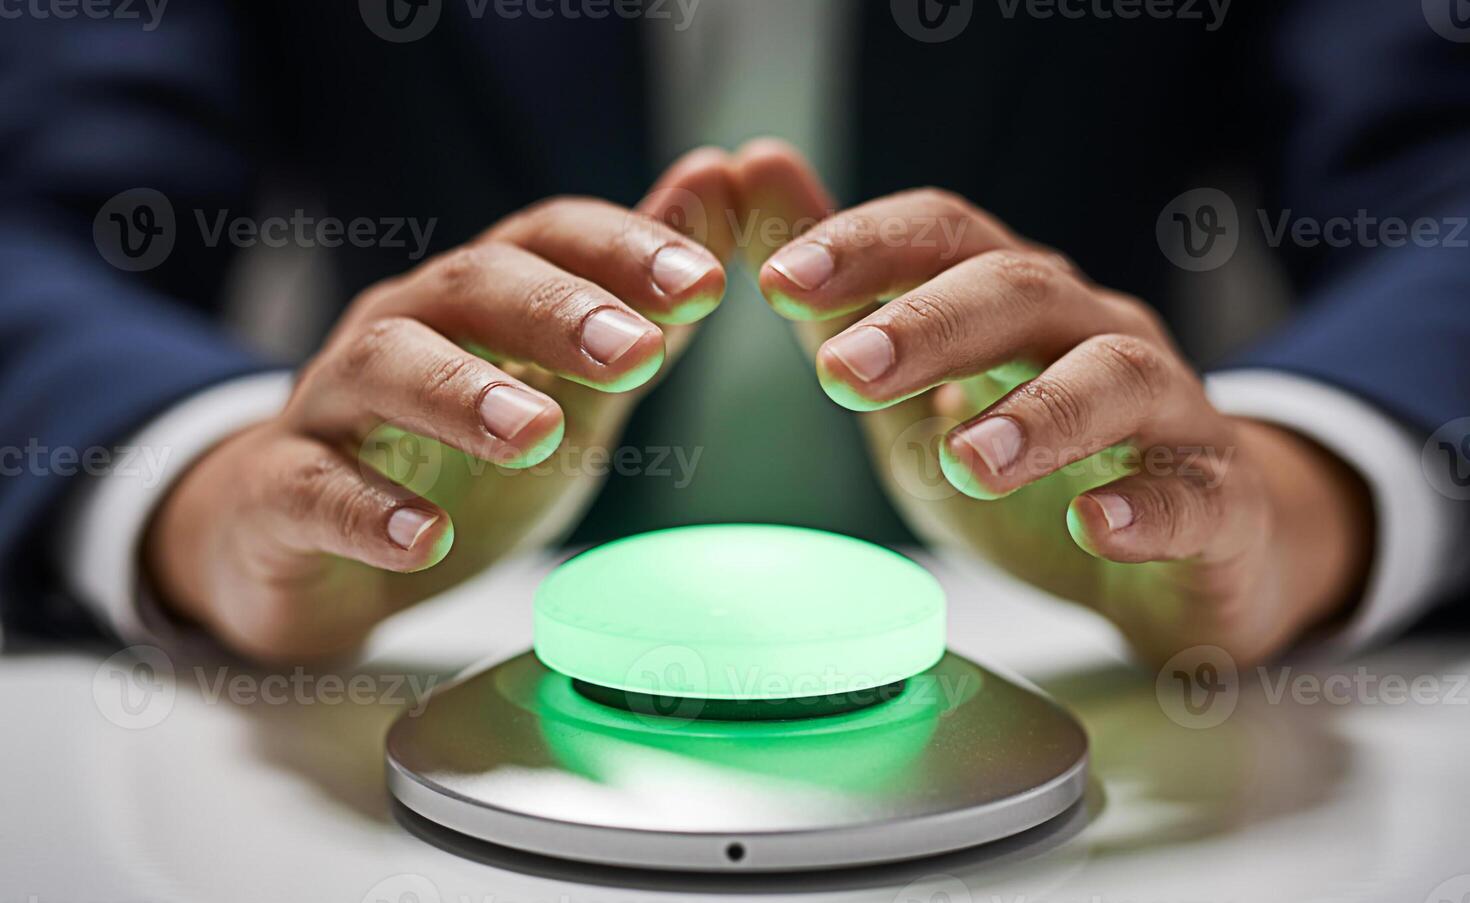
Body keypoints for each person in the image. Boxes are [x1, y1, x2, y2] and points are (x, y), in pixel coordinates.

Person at [1, 1, 1466, 668]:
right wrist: (204, 498)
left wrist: (1297, 499)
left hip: (1085, 680)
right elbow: (31, 212)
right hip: (408, 669)